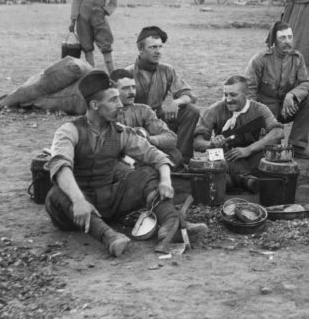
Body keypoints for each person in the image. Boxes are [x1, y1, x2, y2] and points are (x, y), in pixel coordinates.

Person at [44, 71, 179, 257]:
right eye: (113, 100)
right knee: (56, 194)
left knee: (147, 174)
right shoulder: (69, 131)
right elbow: (60, 166)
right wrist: (78, 200)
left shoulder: (120, 132)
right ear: (95, 105)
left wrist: (165, 180)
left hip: (109, 202)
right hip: (73, 209)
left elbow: (156, 156)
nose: (121, 105)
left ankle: (172, 225)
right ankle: (110, 237)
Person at [194, 75, 284, 192]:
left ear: (245, 94)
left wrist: (248, 149)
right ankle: (247, 180)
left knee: (270, 154)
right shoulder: (214, 110)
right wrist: (212, 144)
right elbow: (197, 143)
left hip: (252, 156)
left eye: (233, 95)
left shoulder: (259, 109)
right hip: (226, 157)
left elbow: (278, 133)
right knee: (217, 155)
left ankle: (235, 180)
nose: (228, 99)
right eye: (225, 94)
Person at [125, 26, 202, 165]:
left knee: (190, 111)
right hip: (137, 123)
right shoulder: (128, 73)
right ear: (140, 48)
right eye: (153, 47)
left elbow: (188, 94)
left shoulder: (167, 70)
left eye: (160, 47)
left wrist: (175, 103)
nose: (158, 51)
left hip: (160, 120)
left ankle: (182, 160)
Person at [244, 21, 309, 159]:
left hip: (288, 108)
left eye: (290, 37)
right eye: (282, 38)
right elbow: (249, 91)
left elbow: (308, 83)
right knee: (272, 152)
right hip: (266, 112)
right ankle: (267, 142)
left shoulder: (297, 59)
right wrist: (256, 120)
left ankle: (298, 146)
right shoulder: (260, 60)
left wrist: (292, 95)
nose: (287, 41)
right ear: (274, 41)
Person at [111, 68, 183, 166]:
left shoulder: (144, 110)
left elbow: (171, 138)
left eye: (133, 87)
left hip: (145, 153)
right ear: (113, 91)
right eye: (125, 88)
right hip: (118, 156)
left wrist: (149, 139)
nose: (132, 92)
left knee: (175, 154)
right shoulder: (107, 112)